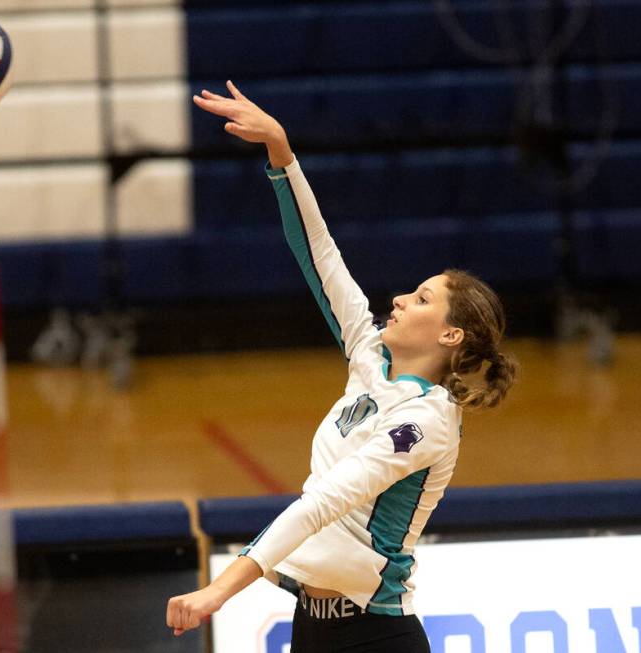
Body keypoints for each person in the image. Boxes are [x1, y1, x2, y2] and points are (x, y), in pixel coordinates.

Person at [166, 81, 518, 652]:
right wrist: (280, 151)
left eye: (423, 299)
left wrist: (218, 591)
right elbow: (319, 252)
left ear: (451, 335)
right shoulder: (369, 355)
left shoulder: (428, 421)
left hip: (377, 636)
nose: (401, 299)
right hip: (313, 624)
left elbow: (325, 501)